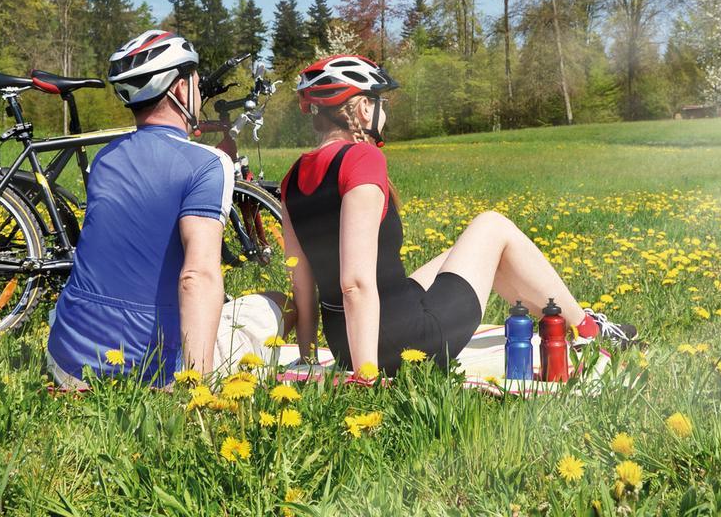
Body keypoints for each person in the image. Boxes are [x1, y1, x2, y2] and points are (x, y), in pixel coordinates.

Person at [279, 54, 637, 377]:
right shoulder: (362, 159)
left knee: (461, 253)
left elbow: (302, 285)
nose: (384, 112)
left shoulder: (292, 177)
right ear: (360, 110)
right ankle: (588, 328)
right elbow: (354, 284)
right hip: (404, 343)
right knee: (493, 226)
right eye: (380, 102)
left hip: (347, 343)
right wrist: (366, 375)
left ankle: (564, 322)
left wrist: (309, 358)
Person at [46, 29, 289, 388]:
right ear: (179, 89)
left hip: (66, 361)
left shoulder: (105, 158)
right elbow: (197, 277)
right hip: (150, 371)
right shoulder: (208, 164)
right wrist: (198, 388)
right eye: (195, 81)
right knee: (280, 301)